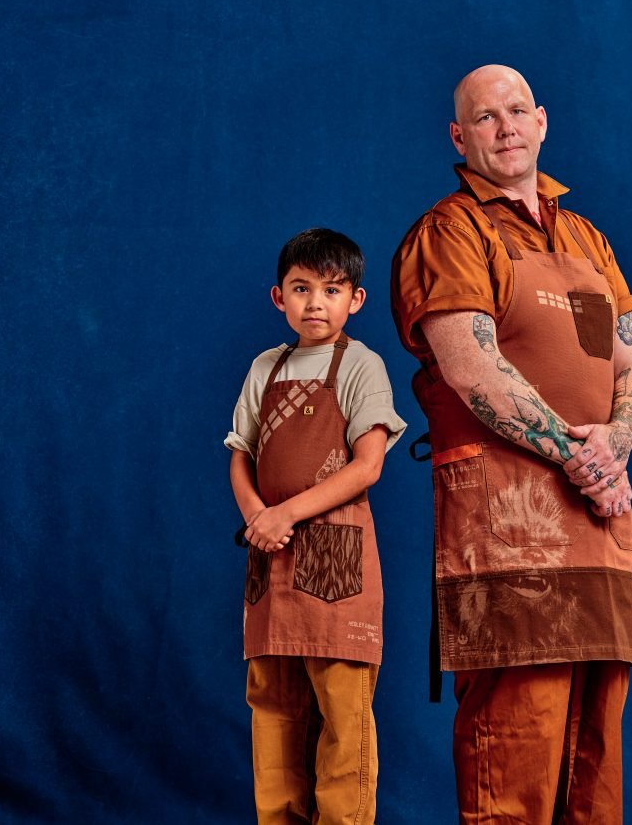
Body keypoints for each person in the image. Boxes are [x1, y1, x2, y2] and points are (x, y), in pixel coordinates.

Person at [390, 65, 632, 823]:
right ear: (459, 136)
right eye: (483, 117)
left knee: (595, 755)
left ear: (542, 121)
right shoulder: (450, 232)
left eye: (515, 111)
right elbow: (473, 369)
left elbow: (630, 362)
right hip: (506, 529)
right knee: (516, 748)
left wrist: (618, 443)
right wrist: (585, 458)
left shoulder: (586, 240)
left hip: (599, 525)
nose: (504, 127)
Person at [227, 228, 407, 825]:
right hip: (268, 561)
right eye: (301, 289)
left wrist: (284, 514)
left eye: (331, 290)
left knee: (343, 720)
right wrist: (257, 515)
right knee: (273, 715)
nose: (315, 303)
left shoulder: (361, 364)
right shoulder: (263, 368)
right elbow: (241, 454)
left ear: (354, 300)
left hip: (337, 567)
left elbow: (368, 466)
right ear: (278, 297)